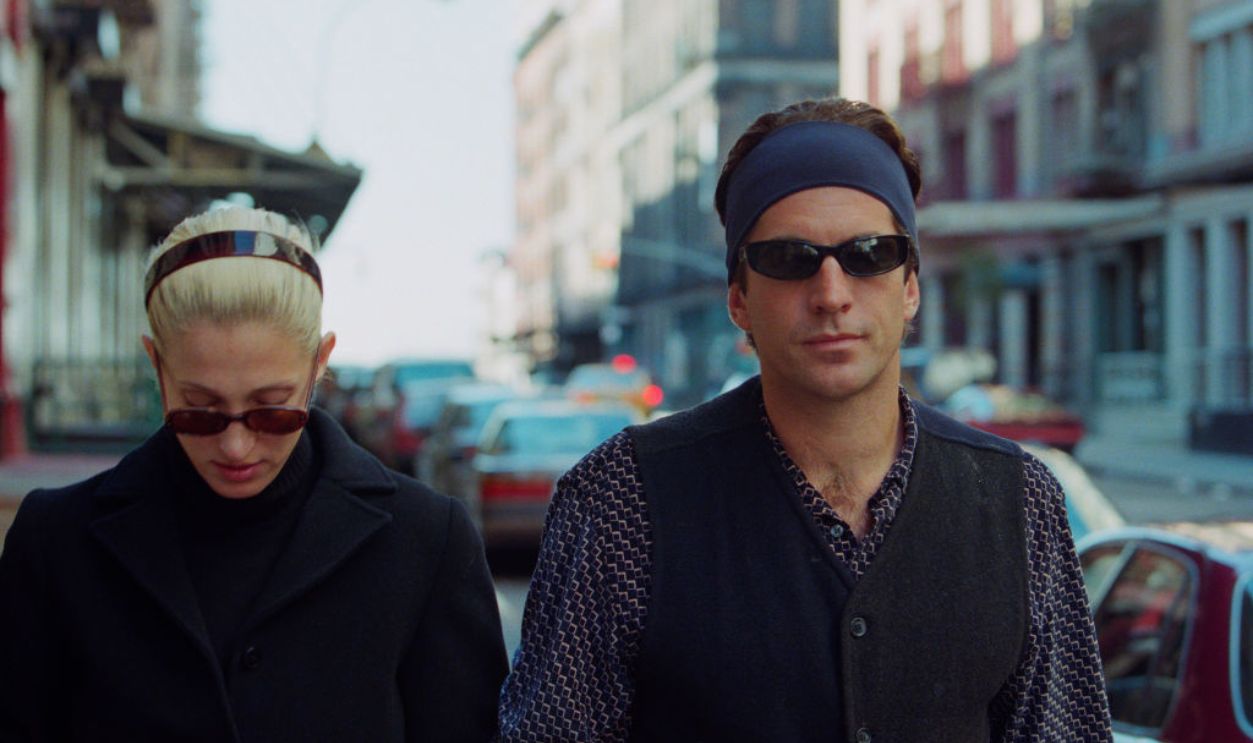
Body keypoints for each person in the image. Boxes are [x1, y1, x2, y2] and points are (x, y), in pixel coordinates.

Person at [498, 97, 1112, 741]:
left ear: (910, 287)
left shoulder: (1019, 500)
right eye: (790, 259)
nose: (831, 294)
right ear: (739, 298)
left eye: (869, 253)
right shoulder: (624, 499)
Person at [0, 207, 507, 741]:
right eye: (200, 410)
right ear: (157, 367)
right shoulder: (56, 541)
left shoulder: (425, 541)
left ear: (319, 363)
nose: (236, 445)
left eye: (272, 410)